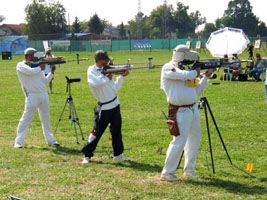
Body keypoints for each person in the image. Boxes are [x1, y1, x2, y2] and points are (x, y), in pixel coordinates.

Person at [160, 44, 215, 182]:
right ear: (182, 55)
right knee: (179, 141)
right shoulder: (168, 67)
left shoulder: (186, 71)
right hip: (179, 111)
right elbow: (187, 75)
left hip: (193, 109)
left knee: (194, 141)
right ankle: (167, 173)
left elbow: (195, 91)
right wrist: (196, 71)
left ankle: (189, 170)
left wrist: (206, 77)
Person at [81, 50, 129, 164]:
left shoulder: (106, 71)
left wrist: (121, 76)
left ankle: (118, 154)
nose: (107, 62)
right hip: (104, 108)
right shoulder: (92, 70)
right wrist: (107, 77)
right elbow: (94, 82)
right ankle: (87, 156)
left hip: (115, 104)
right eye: (105, 60)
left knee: (116, 131)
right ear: (100, 60)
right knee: (96, 132)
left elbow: (115, 89)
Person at [14, 47, 59, 148]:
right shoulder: (21, 65)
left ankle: (51, 140)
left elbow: (45, 81)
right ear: (29, 56)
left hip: (43, 94)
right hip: (32, 95)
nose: (35, 57)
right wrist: (40, 66)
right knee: (26, 119)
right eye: (34, 55)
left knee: (46, 119)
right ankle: (18, 142)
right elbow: (31, 72)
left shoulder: (37, 66)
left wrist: (52, 72)